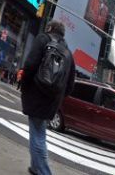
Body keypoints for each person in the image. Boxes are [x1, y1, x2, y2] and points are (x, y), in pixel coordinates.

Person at [20, 20, 76, 175]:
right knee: (38, 131)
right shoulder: (68, 53)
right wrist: (57, 96)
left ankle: (44, 172)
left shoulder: (43, 39)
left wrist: (25, 86)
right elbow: (71, 85)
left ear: (50, 28)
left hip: (36, 95)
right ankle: (35, 167)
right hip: (52, 102)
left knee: (37, 135)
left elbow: (30, 65)